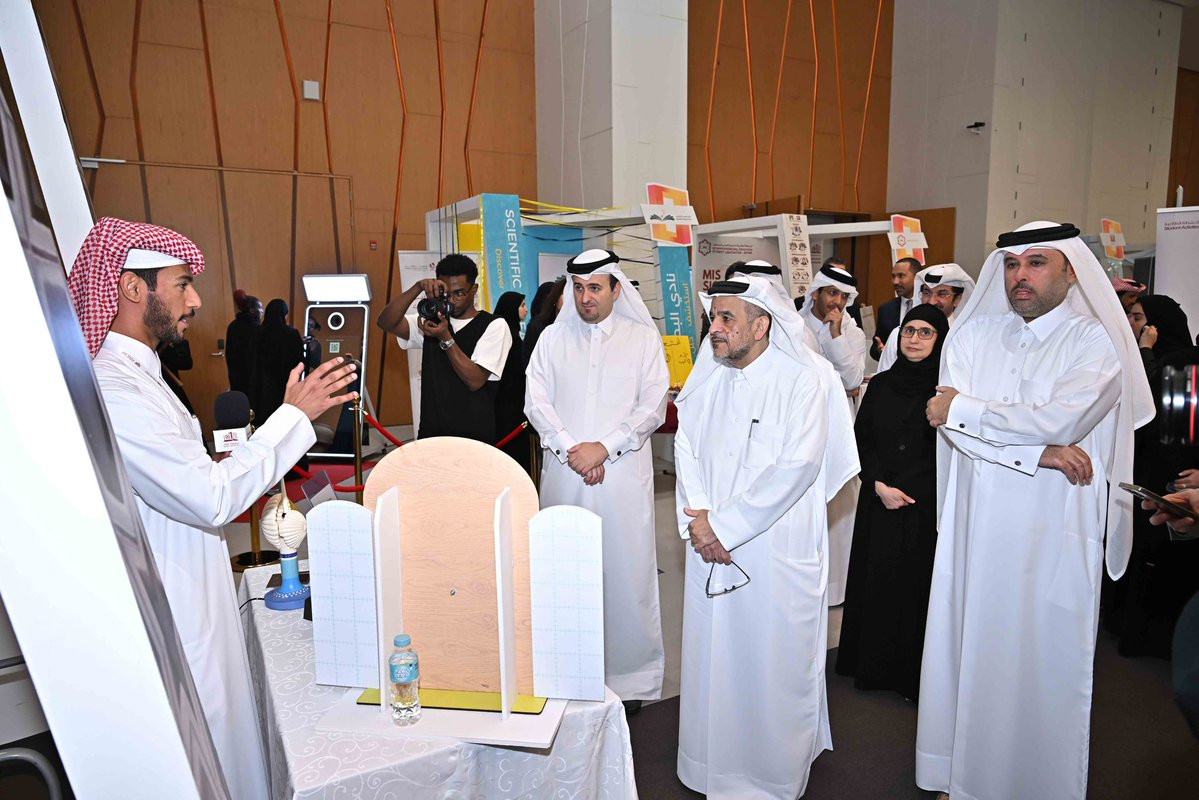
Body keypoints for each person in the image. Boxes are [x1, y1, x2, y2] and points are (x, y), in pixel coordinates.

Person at [67, 217, 358, 800]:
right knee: (208, 754)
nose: (195, 300)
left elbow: (195, 478)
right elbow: (211, 497)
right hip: (180, 607)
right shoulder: (116, 390)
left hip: (197, 589)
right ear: (132, 288)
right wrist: (294, 417)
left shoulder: (141, 376)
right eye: (182, 284)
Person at [916, 221, 1153, 800]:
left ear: (1070, 270)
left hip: (1052, 530)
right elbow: (951, 428)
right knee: (967, 645)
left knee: (1037, 659)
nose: (1021, 276)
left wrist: (971, 411)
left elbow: (1062, 419)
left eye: (1037, 262)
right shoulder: (971, 336)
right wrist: (1037, 452)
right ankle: (958, 778)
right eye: (1012, 264)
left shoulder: (1096, 342)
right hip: (975, 525)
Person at [674, 275, 857, 799]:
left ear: (761, 325)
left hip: (775, 549)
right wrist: (701, 519)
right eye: (713, 317)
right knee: (714, 657)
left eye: (726, 318)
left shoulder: (804, 379)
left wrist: (722, 526)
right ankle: (708, 763)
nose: (715, 328)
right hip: (708, 541)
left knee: (772, 662)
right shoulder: (710, 375)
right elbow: (685, 445)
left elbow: (798, 467)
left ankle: (769, 775)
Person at [525, 249, 669, 712]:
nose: (586, 297)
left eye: (595, 287)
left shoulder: (642, 340)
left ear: (615, 289)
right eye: (579, 288)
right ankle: (565, 672)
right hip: (565, 476)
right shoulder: (552, 338)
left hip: (621, 480)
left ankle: (628, 680)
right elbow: (536, 402)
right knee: (563, 573)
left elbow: (653, 407)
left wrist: (604, 448)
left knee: (625, 575)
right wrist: (574, 449)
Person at [836, 305, 950, 701]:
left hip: (923, 505)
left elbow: (947, 451)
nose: (914, 340)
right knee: (877, 580)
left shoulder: (947, 392)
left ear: (940, 340)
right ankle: (870, 666)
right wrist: (878, 484)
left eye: (925, 333)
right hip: (879, 501)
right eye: (909, 332)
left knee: (914, 588)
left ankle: (909, 674)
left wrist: (912, 489)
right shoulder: (882, 384)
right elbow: (861, 439)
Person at [1105, 294, 1199, 657]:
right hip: (1152, 470)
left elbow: (1151, 411)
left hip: (1171, 475)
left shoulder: (1181, 362)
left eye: (1138, 317)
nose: (1131, 323)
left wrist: (1145, 351)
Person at [376, 253, 512, 443]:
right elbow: (385, 322)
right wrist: (417, 287)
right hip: (431, 434)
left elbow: (475, 380)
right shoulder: (432, 322)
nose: (452, 300)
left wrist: (445, 337)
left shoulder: (494, 325)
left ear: (474, 290)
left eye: (459, 293)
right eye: (446, 293)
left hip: (474, 437)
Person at [799, 263, 868, 606]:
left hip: (839, 430)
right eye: (831, 293)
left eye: (843, 296)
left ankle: (837, 588)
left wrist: (836, 334)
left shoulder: (852, 332)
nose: (837, 302)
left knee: (839, 508)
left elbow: (853, 378)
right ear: (816, 293)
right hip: (802, 428)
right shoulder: (794, 326)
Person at [875, 263, 975, 373]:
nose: (931, 301)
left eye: (941, 294)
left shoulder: (966, 338)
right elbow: (885, 377)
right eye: (927, 293)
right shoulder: (900, 334)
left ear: (957, 299)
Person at [493, 290, 530, 470]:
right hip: (507, 407)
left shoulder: (514, 334)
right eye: (522, 305)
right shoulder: (504, 336)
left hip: (514, 405)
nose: (526, 309)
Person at [251, 299, 305, 423]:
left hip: (262, 385)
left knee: (263, 419)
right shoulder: (291, 334)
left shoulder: (257, 333)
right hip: (285, 383)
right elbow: (299, 362)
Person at [871, 257, 920, 360]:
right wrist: (881, 351)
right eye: (893, 276)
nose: (895, 281)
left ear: (917, 277)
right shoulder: (886, 309)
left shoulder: (928, 307)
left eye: (901, 276)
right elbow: (875, 348)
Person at [225, 288, 261, 395]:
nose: (262, 311)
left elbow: (229, 353)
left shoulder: (233, 325)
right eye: (260, 307)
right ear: (252, 310)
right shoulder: (256, 328)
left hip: (235, 376)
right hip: (253, 379)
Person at [522, 276, 566, 364]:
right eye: (565, 293)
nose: (569, 299)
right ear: (555, 298)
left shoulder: (576, 327)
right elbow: (529, 363)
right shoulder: (537, 327)